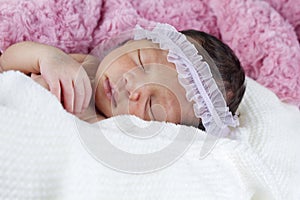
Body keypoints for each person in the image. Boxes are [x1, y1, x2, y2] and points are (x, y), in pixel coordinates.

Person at [0, 23, 245, 136]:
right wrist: (47, 56)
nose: (132, 86)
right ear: (131, 42)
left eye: (153, 106)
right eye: (139, 60)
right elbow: (6, 62)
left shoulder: (112, 132)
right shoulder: (85, 65)